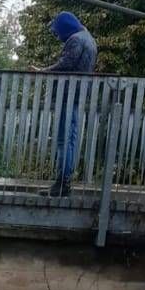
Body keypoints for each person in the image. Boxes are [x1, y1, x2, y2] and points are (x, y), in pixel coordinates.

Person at [45, 11, 97, 196]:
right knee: (71, 138)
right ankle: (64, 182)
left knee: (63, 139)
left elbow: (66, 64)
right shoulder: (89, 38)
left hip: (68, 94)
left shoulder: (75, 39)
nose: (57, 36)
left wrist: (43, 71)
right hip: (79, 95)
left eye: (57, 32)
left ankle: (62, 183)